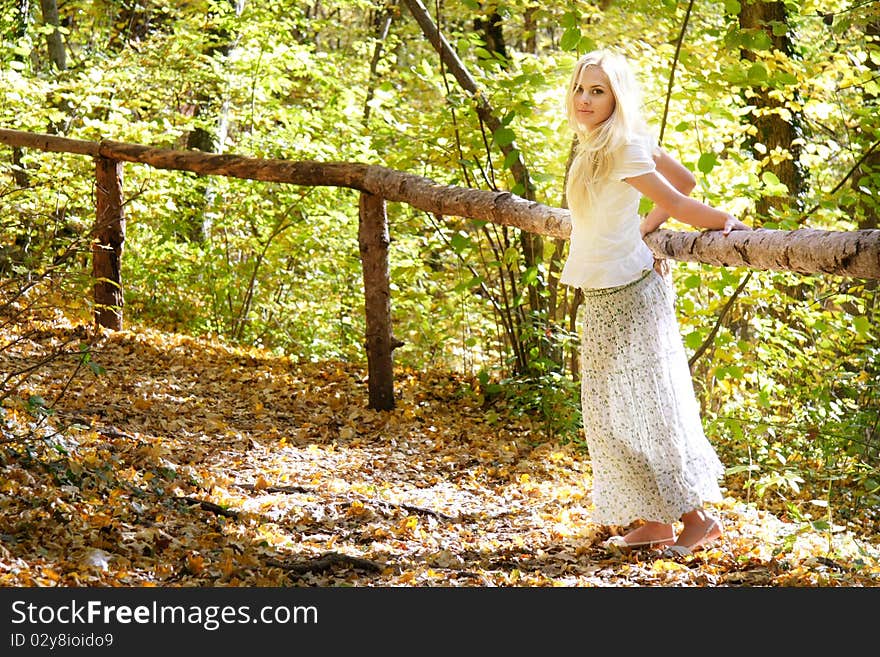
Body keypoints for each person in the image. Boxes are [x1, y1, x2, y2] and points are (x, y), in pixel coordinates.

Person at [559, 49, 750, 555]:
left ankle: (697, 519)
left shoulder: (621, 147)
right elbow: (680, 181)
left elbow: (682, 199)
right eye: (581, 88)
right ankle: (655, 521)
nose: (585, 98)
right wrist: (643, 228)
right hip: (602, 290)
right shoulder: (607, 141)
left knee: (650, 408)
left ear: (616, 96)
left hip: (629, 293)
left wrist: (720, 219)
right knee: (610, 412)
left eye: (597, 90)